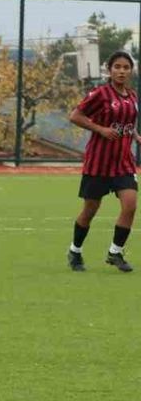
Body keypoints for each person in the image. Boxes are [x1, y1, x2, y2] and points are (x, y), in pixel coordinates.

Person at [67, 50, 141, 272]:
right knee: (90, 209)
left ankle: (115, 253)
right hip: (98, 163)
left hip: (123, 163)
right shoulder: (100, 94)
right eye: (117, 67)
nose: (121, 71)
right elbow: (75, 116)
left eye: (125, 67)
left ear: (131, 71)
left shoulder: (133, 96)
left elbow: (128, 123)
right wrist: (101, 129)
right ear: (109, 70)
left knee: (130, 205)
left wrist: (135, 135)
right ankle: (75, 251)